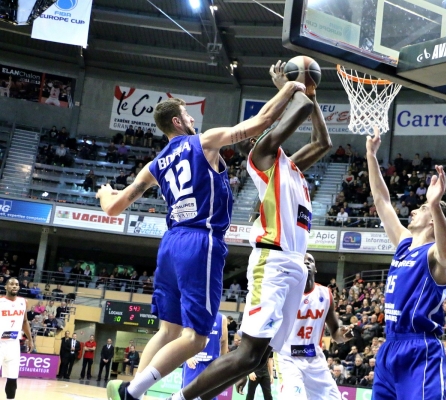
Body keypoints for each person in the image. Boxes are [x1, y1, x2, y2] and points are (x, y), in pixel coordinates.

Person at [99, 78, 306, 400]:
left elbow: (113, 208)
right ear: (178, 121)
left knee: (168, 330)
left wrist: (103, 193)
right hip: (200, 240)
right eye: (189, 116)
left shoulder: (153, 166)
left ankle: (133, 390)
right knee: (196, 338)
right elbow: (262, 122)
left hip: (170, 243)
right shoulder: (204, 142)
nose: (195, 120)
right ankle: (133, 391)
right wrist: (289, 88)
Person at [169, 61, 331, 400]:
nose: (264, 131)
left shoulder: (291, 167)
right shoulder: (262, 156)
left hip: (294, 266)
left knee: (256, 358)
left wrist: (307, 92)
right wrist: (293, 86)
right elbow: (299, 108)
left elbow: (323, 141)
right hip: (272, 262)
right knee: (246, 353)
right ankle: (180, 399)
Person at [366, 124, 446, 400]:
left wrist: (434, 204)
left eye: (421, 209)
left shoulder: (434, 254)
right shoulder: (405, 244)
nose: (414, 210)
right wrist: (371, 156)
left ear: (432, 220)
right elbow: (381, 201)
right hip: (390, 347)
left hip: (420, 350)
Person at [274, 253, 353, 399]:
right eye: (302, 261)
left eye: (310, 261)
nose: (307, 263)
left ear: (315, 268)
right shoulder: (286, 292)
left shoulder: (325, 294)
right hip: (288, 358)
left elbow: (335, 332)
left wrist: (344, 335)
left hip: (314, 359)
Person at [0, 278, 33, 400]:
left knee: (13, 378)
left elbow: (25, 321)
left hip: (14, 343)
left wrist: (30, 339)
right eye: (11, 284)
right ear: (6, 287)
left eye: (17, 284)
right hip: (0, 342)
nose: (14, 286)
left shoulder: (23, 301)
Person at [182, 313, 228, 400]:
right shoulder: (192, 312)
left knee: (210, 396)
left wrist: (223, 363)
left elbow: (224, 341)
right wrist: (187, 357)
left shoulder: (222, 318)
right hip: (194, 363)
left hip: (212, 365)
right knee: (188, 395)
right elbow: (183, 336)